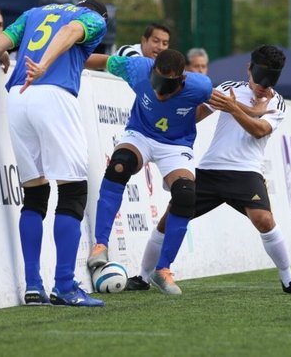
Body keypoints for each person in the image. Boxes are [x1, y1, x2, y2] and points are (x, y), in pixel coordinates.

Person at [125, 45, 291, 296]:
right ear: (249, 68)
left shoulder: (277, 102)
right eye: (260, 75)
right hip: (210, 168)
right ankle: (143, 276)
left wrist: (234, 109)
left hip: (246, 173)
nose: (263, 84)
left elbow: (259, 129)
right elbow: (195, 115)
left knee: (264, 220)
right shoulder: (229, 88)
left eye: (270, 78)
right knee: (170, 217)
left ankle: (289, 280)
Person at [0, 0, 109, 306]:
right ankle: (65, 285)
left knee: (35, 193)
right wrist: (44, 65)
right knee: (73, 190)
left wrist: (3, 54)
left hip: (16, 97)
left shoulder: (33, 11)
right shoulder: (93, 18)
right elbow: (70, 30)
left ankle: (33, 285)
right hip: (52, 94)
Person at [85, 49, 213, 295]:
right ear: (152, 71)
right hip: (140, 135)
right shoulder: (137, 68)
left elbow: (220, 102)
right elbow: (100, 59)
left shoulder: (201, 86)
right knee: (119, 166)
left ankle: (162, 269)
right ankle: (100, 245)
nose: (159, 93)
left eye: (167, 87)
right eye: (156, 83)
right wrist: (60, 59)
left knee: (186, 195)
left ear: (182, 79)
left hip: (176, 145)